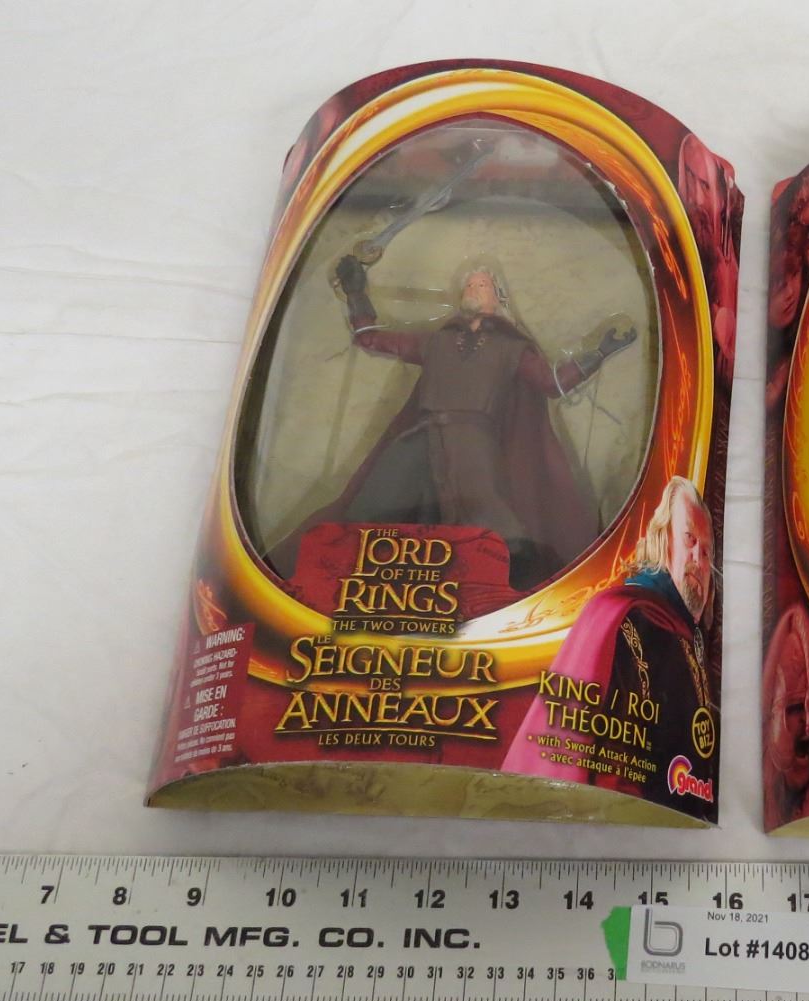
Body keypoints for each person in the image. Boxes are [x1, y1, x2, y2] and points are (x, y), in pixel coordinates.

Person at [270, 257, 635, 589]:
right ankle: (350, 558)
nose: (473, 289)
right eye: (469, 285)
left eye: (482, 284)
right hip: (420, 433)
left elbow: (552, 383)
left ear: (498, 297)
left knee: (486, 509)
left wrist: (601, 350)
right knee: (379, 496)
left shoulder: (511, 349)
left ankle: (514, 574)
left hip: (473, 438)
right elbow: (371, 338)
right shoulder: (436, 341)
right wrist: (355, 292)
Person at [502, 476, 718, 819]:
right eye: (690, 540)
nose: (698, 559)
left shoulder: (694, 640)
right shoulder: (621, 614)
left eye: (706, 552)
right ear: (662, 541)